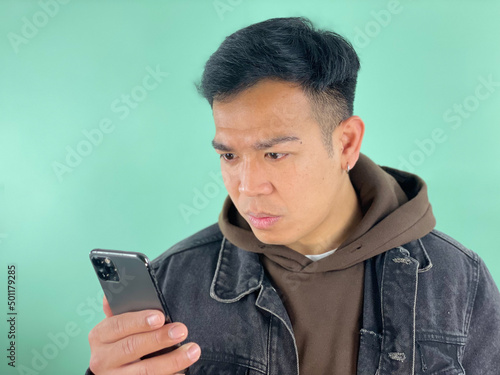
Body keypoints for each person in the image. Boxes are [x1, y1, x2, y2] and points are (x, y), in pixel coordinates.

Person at [86, 17, 500, 374]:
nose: (247, 186)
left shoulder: (458, 282)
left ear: (346, 143)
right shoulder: (173, 283)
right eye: (229, 155)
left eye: (275, 153)